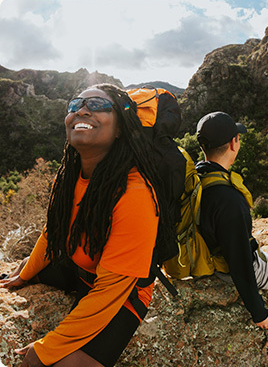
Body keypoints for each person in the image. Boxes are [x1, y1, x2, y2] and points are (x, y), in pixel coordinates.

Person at [0, 84, 174, 367]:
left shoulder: (135, 194)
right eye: (75, 105)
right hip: (80, 271)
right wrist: (27, 272)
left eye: (98, 105)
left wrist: (47, 348)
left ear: (119, 129)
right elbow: (54, 231)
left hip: (122, 295)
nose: (82, 110)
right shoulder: (68, 177)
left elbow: (110, 290)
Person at [195, 111, 268, 330]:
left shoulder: (198, 176)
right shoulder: (229, 200)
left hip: (205, 255)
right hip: (226, 267)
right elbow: (241, 263)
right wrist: (259, 311)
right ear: (234, 143)